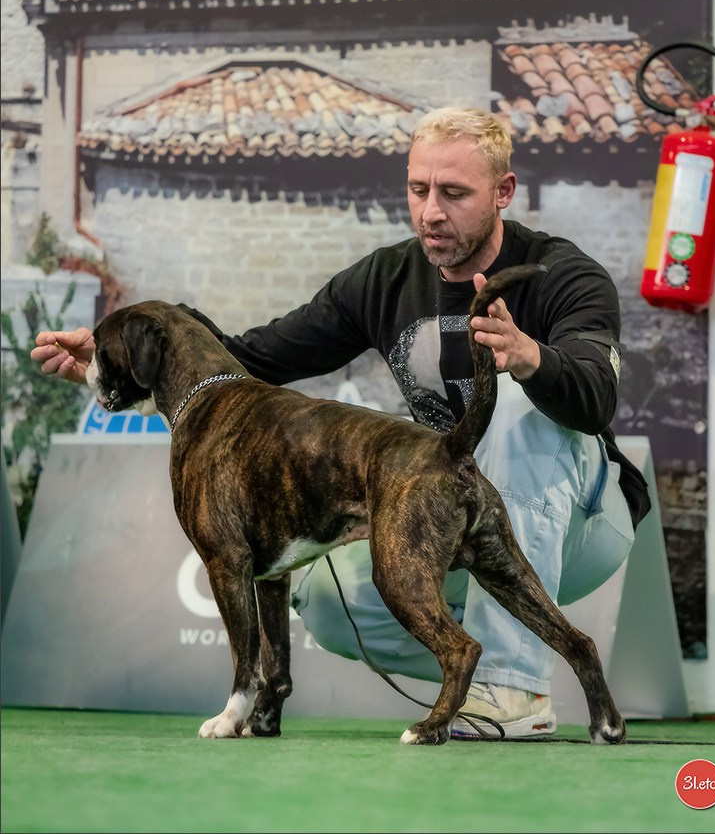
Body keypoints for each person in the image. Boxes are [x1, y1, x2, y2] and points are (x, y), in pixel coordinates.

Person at [32, 106, 650, 740]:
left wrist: (531, 358)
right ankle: (483, 659)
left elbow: (596, 397)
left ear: (503, 192)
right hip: (453, 506)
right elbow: (252, 359)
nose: (430, 211)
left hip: (583, 524)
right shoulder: (384, 278)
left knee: (515, 409)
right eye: (418, 190)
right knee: (329, 606)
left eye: (454, 193)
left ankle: (515, 692)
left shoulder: (565, 275)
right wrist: (115, 362)